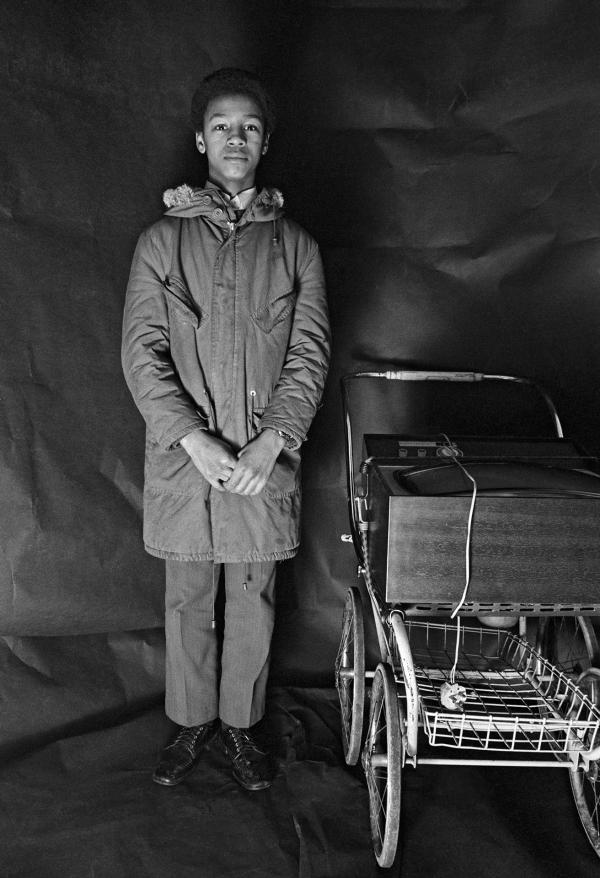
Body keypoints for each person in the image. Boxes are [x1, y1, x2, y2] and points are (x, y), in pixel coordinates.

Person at [122, 68, 330, 791]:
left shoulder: (296, 246)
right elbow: (141, 354)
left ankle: (241, 725)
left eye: (249, 126)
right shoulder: (160, 242)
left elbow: (309, 354)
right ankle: (191, 721)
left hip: (263, 459)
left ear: (265, 141)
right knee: (187, 595)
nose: (234, 138)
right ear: (200, 139)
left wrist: (273, 441)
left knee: (251, 595)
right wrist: (193, 440)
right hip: (186, 460)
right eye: (221, 126)